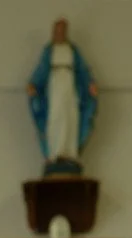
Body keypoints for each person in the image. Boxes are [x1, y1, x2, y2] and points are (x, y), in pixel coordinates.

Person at [26, 18, 97, 175]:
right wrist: (33, 84)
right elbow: (41, 70)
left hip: (71, 89)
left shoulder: (73, 50)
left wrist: (89, 85)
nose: (59, 34)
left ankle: (69, 153)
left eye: (62, 31)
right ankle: (55, 153)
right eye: (57, 31)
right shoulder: (49, 51)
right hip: (54, 88)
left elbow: (83, 71)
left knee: (71, 117)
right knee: (55, 117)